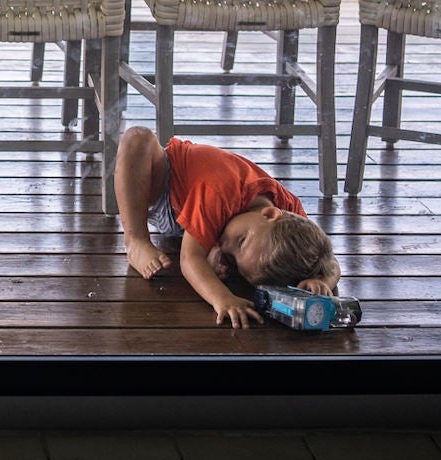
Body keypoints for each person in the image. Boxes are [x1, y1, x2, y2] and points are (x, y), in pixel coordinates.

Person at [113, 128, 341, 328]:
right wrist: (222, 298)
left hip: (193, 222)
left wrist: (321, 282)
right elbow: (189, 259)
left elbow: (328, 261)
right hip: (167, 190)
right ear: (270, 213)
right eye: (241, 241)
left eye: (232, 259)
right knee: (137, 138)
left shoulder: (292, 229)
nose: (226, 246)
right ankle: (136, 241)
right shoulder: (223, 190)